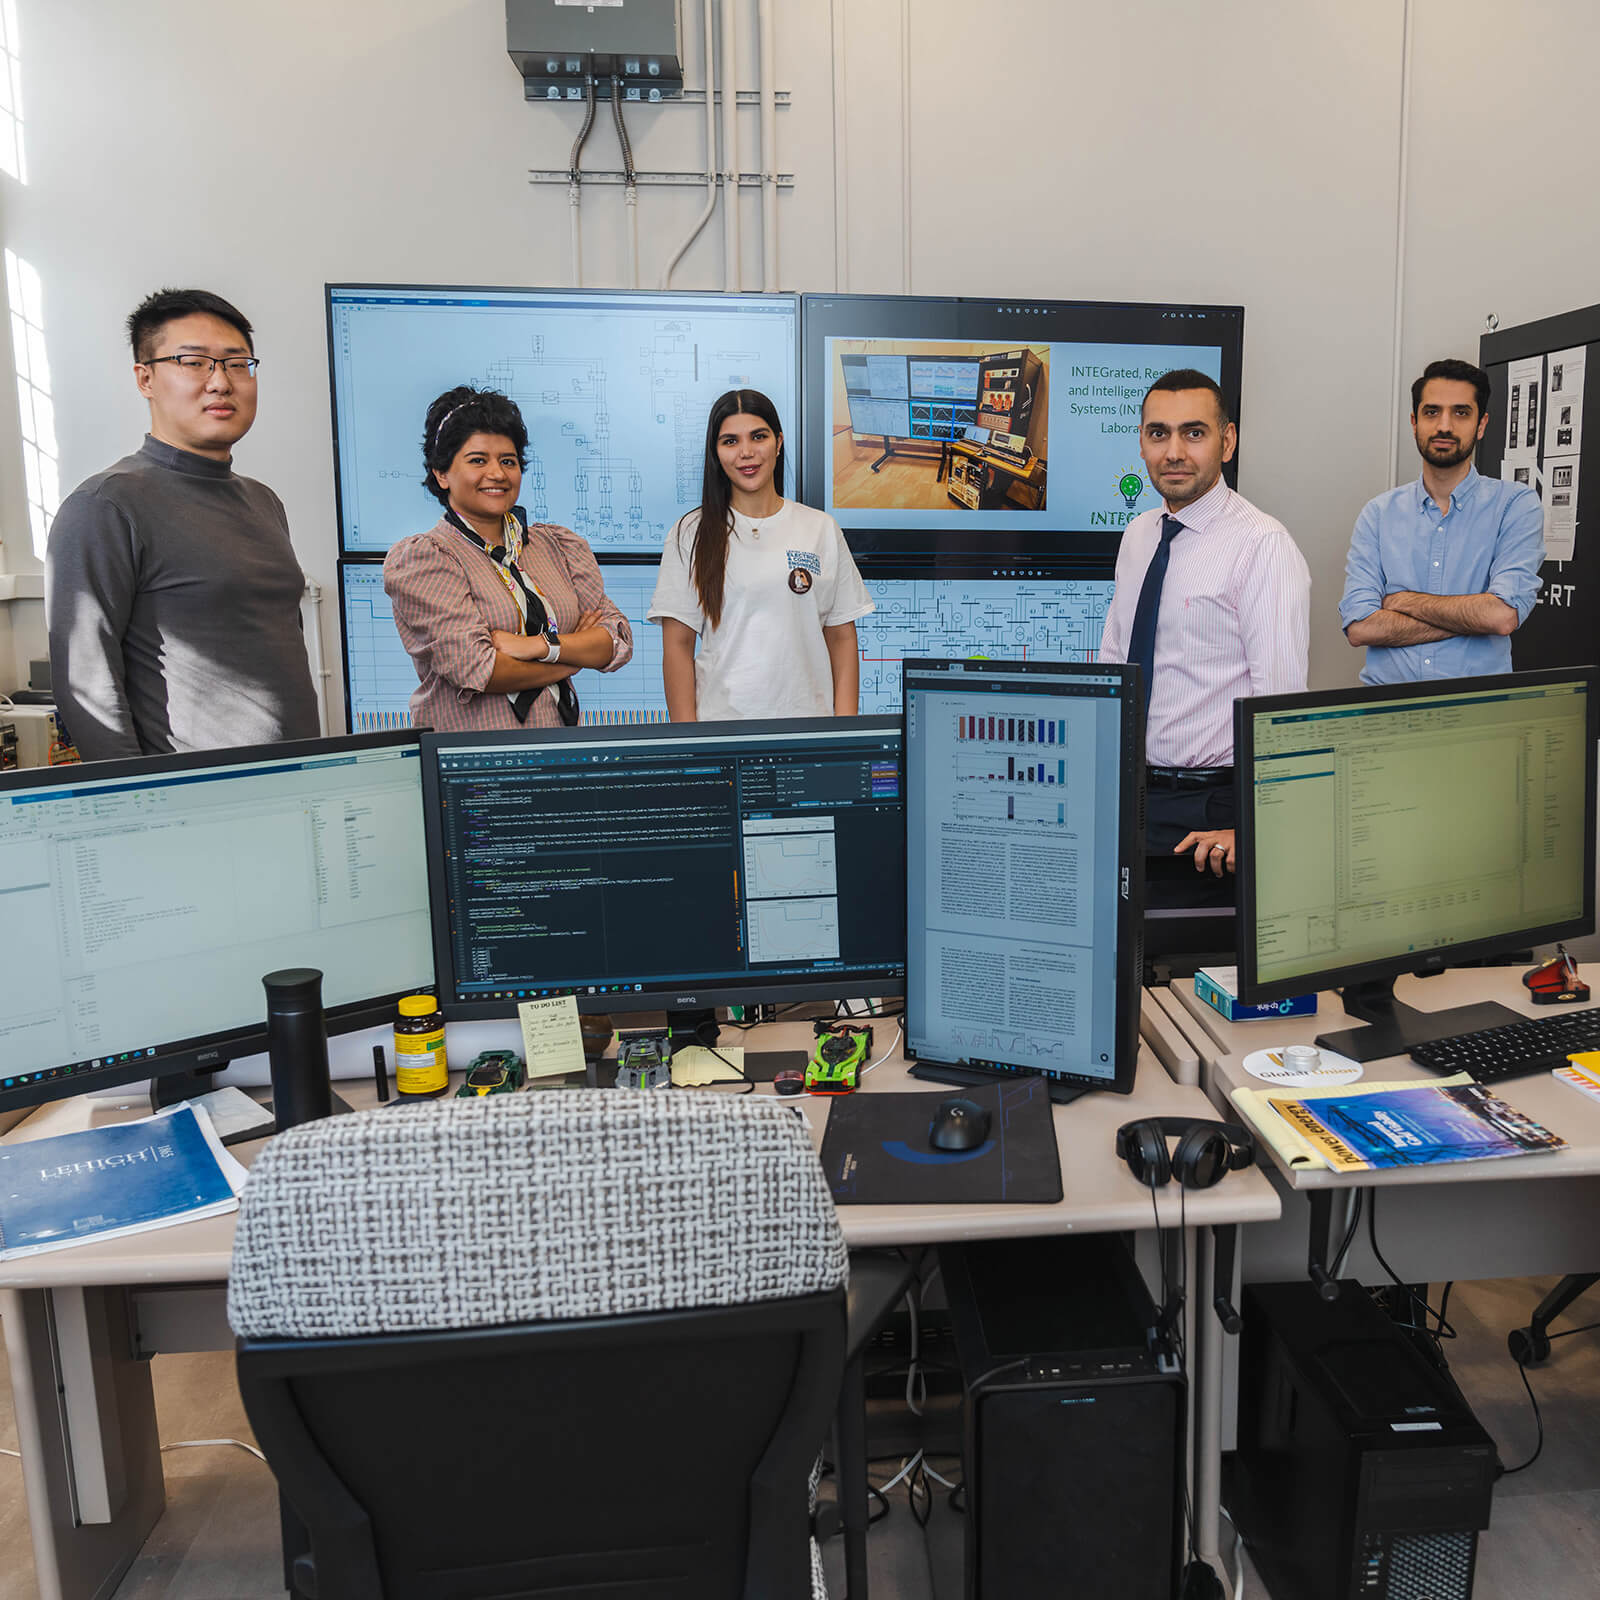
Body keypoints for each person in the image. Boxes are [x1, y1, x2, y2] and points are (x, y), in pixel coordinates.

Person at [45, 288, 319, 761]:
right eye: (194, 362)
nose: (220, 382)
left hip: (295, 791)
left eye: (237, 364)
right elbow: (86, 686)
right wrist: (138, 808)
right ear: (145, 378)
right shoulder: (105, 505)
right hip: (196, 806)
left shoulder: (263, 501)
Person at [1099, 369, 1309, 888]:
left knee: (1189, 962)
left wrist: (1255, 827)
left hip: (1213, 816)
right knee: (1123, 965)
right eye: (1158, 434)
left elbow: (1279, 706)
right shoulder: (1139, 534)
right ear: (1143, 444)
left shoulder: (1261, 545)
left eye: (1194, 433)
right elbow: (1113, 665)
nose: (1174, 451)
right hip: (1131, 798)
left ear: (1227, 441)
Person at [384, 386, 631, 730]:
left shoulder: (557, 546)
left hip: (560, 750)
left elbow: (616, 641)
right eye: (477, 460)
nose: (497, 474)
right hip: (474, 761)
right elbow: (480, 669)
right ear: (442, 474)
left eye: (508, 461)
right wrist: (573, 659)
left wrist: (533, 647)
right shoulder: (425, 559)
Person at [649, 389, 873, 720]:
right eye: (730, 441)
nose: (746, 452)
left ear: (778, 442)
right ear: (716, 453)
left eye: (758, 437)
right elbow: (678, 648)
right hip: (721, 736)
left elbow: (841, 639)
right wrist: (689, 744)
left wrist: (844, 734)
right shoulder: (690, 533)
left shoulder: (820, 528)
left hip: (809, 734)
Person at [1340, 358, 1543, 684]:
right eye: (1431, 412)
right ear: (1414, 422)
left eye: (1461, 412)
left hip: (1477, 714)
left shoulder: (1515, 506)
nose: (1444, 425)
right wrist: (1471, 618)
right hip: (1388, 713)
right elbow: (1361, 627)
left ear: (1481, 424)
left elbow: (1502, 616)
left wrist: (1402, 601)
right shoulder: (1378, 514)